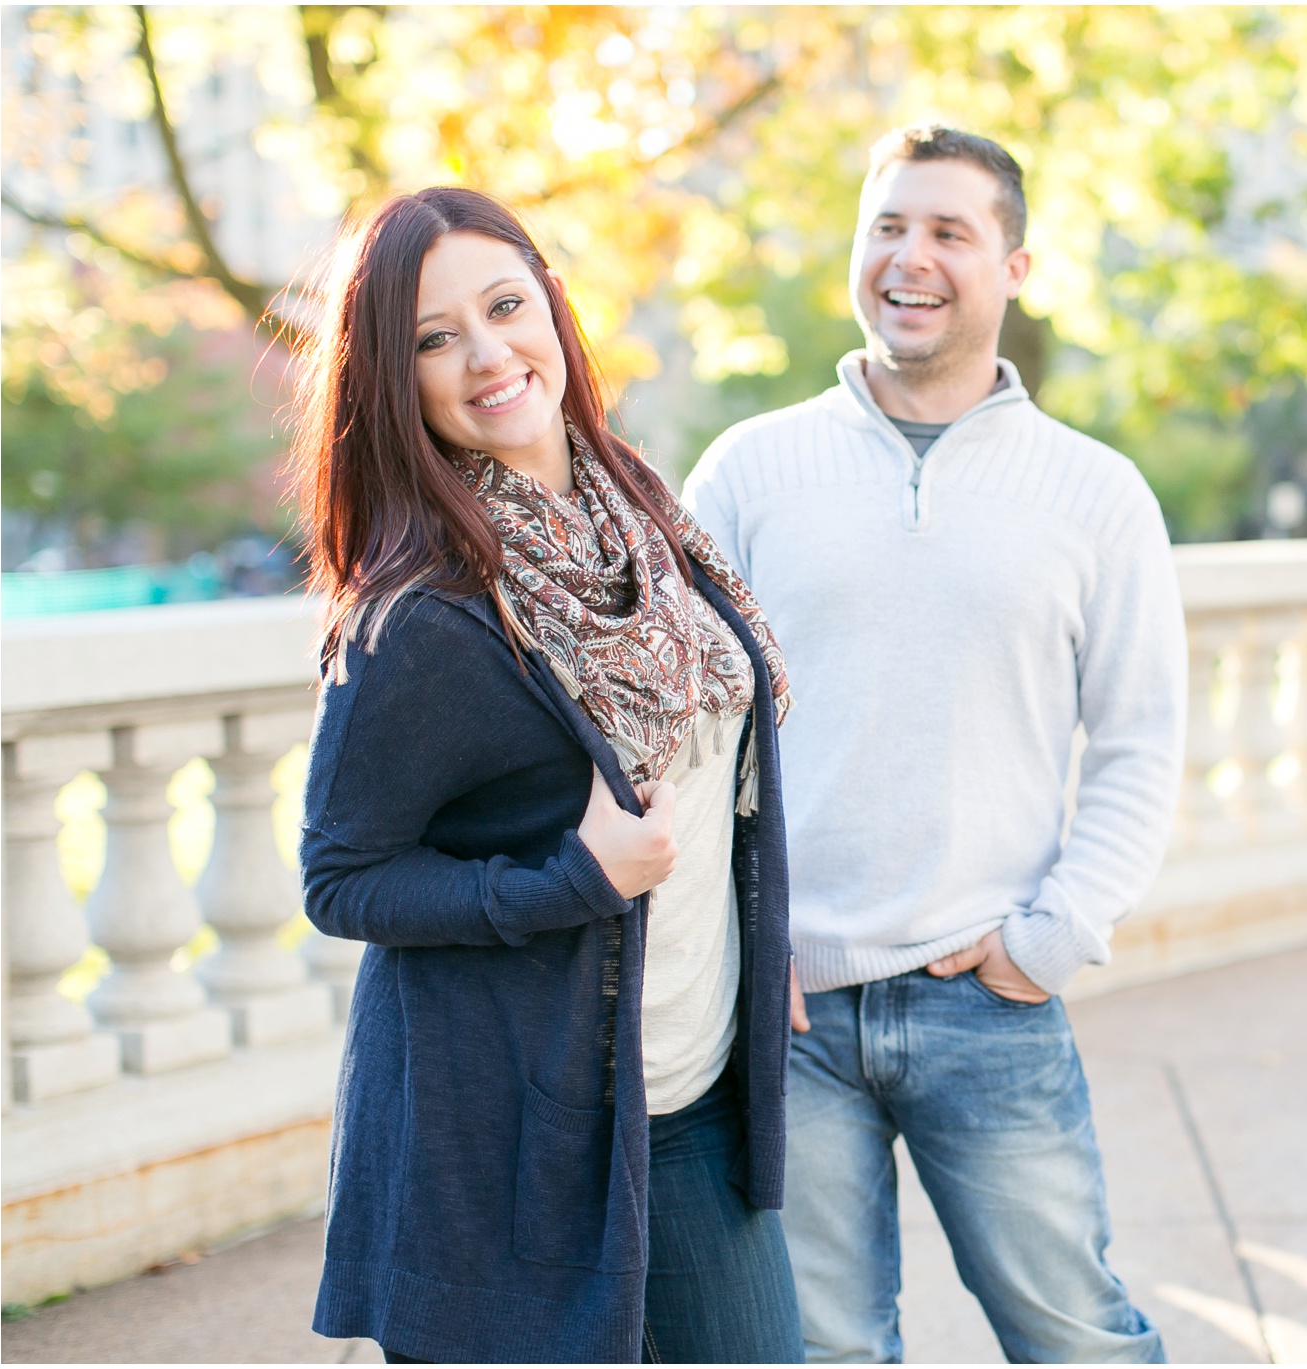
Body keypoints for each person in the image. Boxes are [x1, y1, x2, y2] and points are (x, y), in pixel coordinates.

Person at [685, 125, 1186, 1364]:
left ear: (1015, 267)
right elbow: (686, 738)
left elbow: (1138, 738)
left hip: (988, 996)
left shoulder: (1094, 494)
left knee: (1079, 1340)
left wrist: (1052, 936)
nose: (910, 258)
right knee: (827, 1355)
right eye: (887, 227)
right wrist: (736, 945)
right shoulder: (749, 471)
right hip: (788, 1012)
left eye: (948, 232)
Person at [290, 186, 803, 1364]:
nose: (486, 354)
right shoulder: (420, 614)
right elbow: (341, 878)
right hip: (512, 1134)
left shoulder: (644, 516)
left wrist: (757, 928)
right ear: (392, 377)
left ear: (552, 310)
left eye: (504, 305)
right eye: (433, 338)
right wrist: (569, 878)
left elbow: (720, 755)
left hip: (692, 1084)